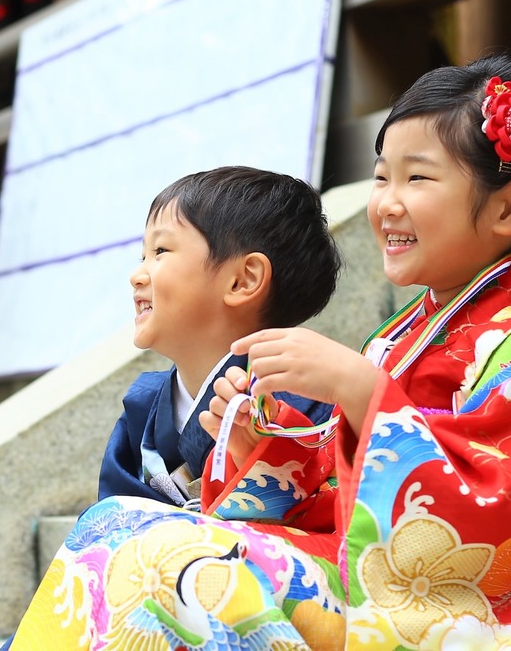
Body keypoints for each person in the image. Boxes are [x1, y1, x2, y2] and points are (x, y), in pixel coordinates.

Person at [5, 51, 511, 651]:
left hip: (451, 610)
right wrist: (264, 449)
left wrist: (366, 394)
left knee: (179, 561)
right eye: (381, 176)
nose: (386, 202)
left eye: (417, 177)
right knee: (118, 521)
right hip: (366, 579)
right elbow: (340, 501)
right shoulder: (400, 336)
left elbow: (509, 509)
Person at [98, 166, 341, 509]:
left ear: (243, 280)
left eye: (161, 251)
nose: (137, 275)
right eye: (143, 256)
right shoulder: (142, 407)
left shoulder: (313, 405)